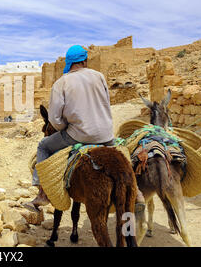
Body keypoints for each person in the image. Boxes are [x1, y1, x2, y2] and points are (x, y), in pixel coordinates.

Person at [23, 45, 145, 212]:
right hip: (105, 134)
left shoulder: (62, 82)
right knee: (121, 152)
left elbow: (54, 118)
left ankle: (42, 194)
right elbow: (106, 103)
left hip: (78, 135)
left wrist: (63, 127)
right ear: (85, 61)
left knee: (43, 146)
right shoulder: (99, 76)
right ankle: (136, 192)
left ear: (69, 63)